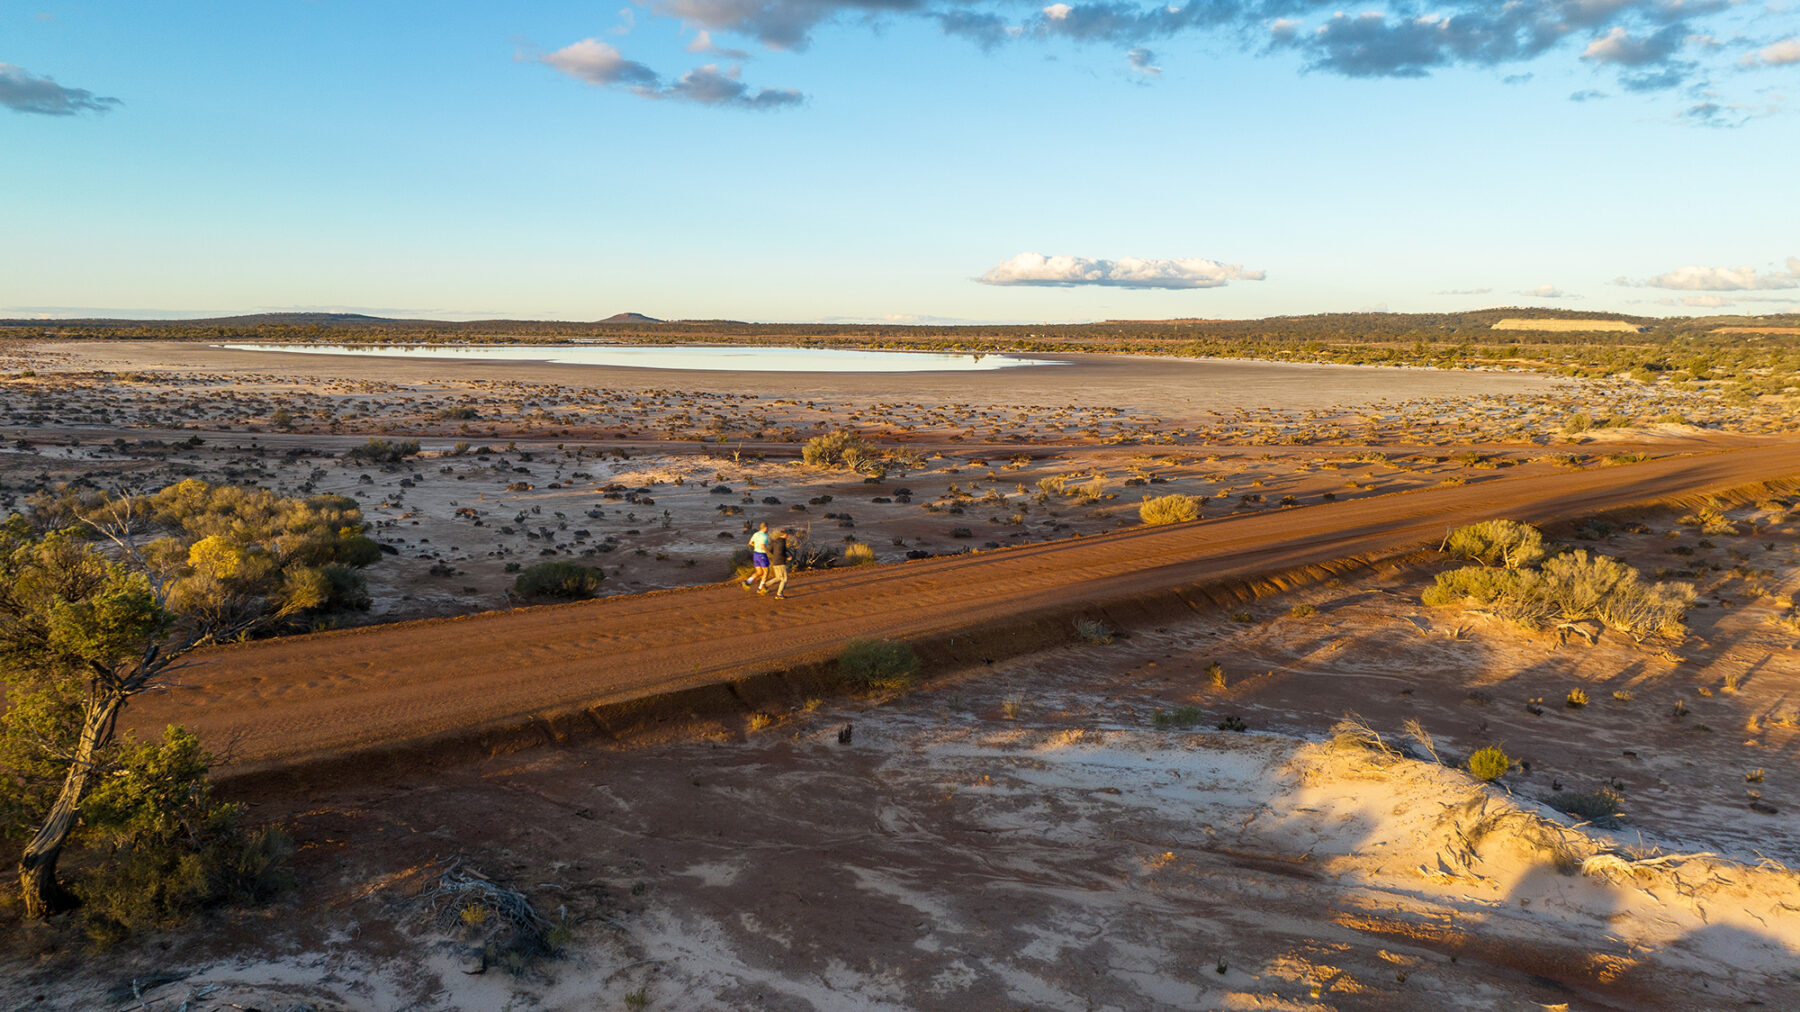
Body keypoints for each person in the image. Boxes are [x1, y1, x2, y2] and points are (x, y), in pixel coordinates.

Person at [764, 528, 791, 599]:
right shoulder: (782, 542)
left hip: (775, 562)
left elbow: (770, 550)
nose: (788, 535)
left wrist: (775, 556)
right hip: (781, 562)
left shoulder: (775, 541)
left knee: (778, 577)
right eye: (787, 534)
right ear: (785, 534)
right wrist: (787, 557)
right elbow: (781, 552)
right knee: (784, 579)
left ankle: (766, 585)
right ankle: (779, 594)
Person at [744, 522, 771, 590]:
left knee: (759, 572)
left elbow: (750, 543)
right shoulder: (764, 536)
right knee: (766, 571)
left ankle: (748, 582)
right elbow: (763, 546)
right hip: (762, 554)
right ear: (765, 528)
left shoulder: (755, 534)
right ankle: (761, 588)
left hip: (755, 554)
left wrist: (756, 546)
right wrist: (769, 553)